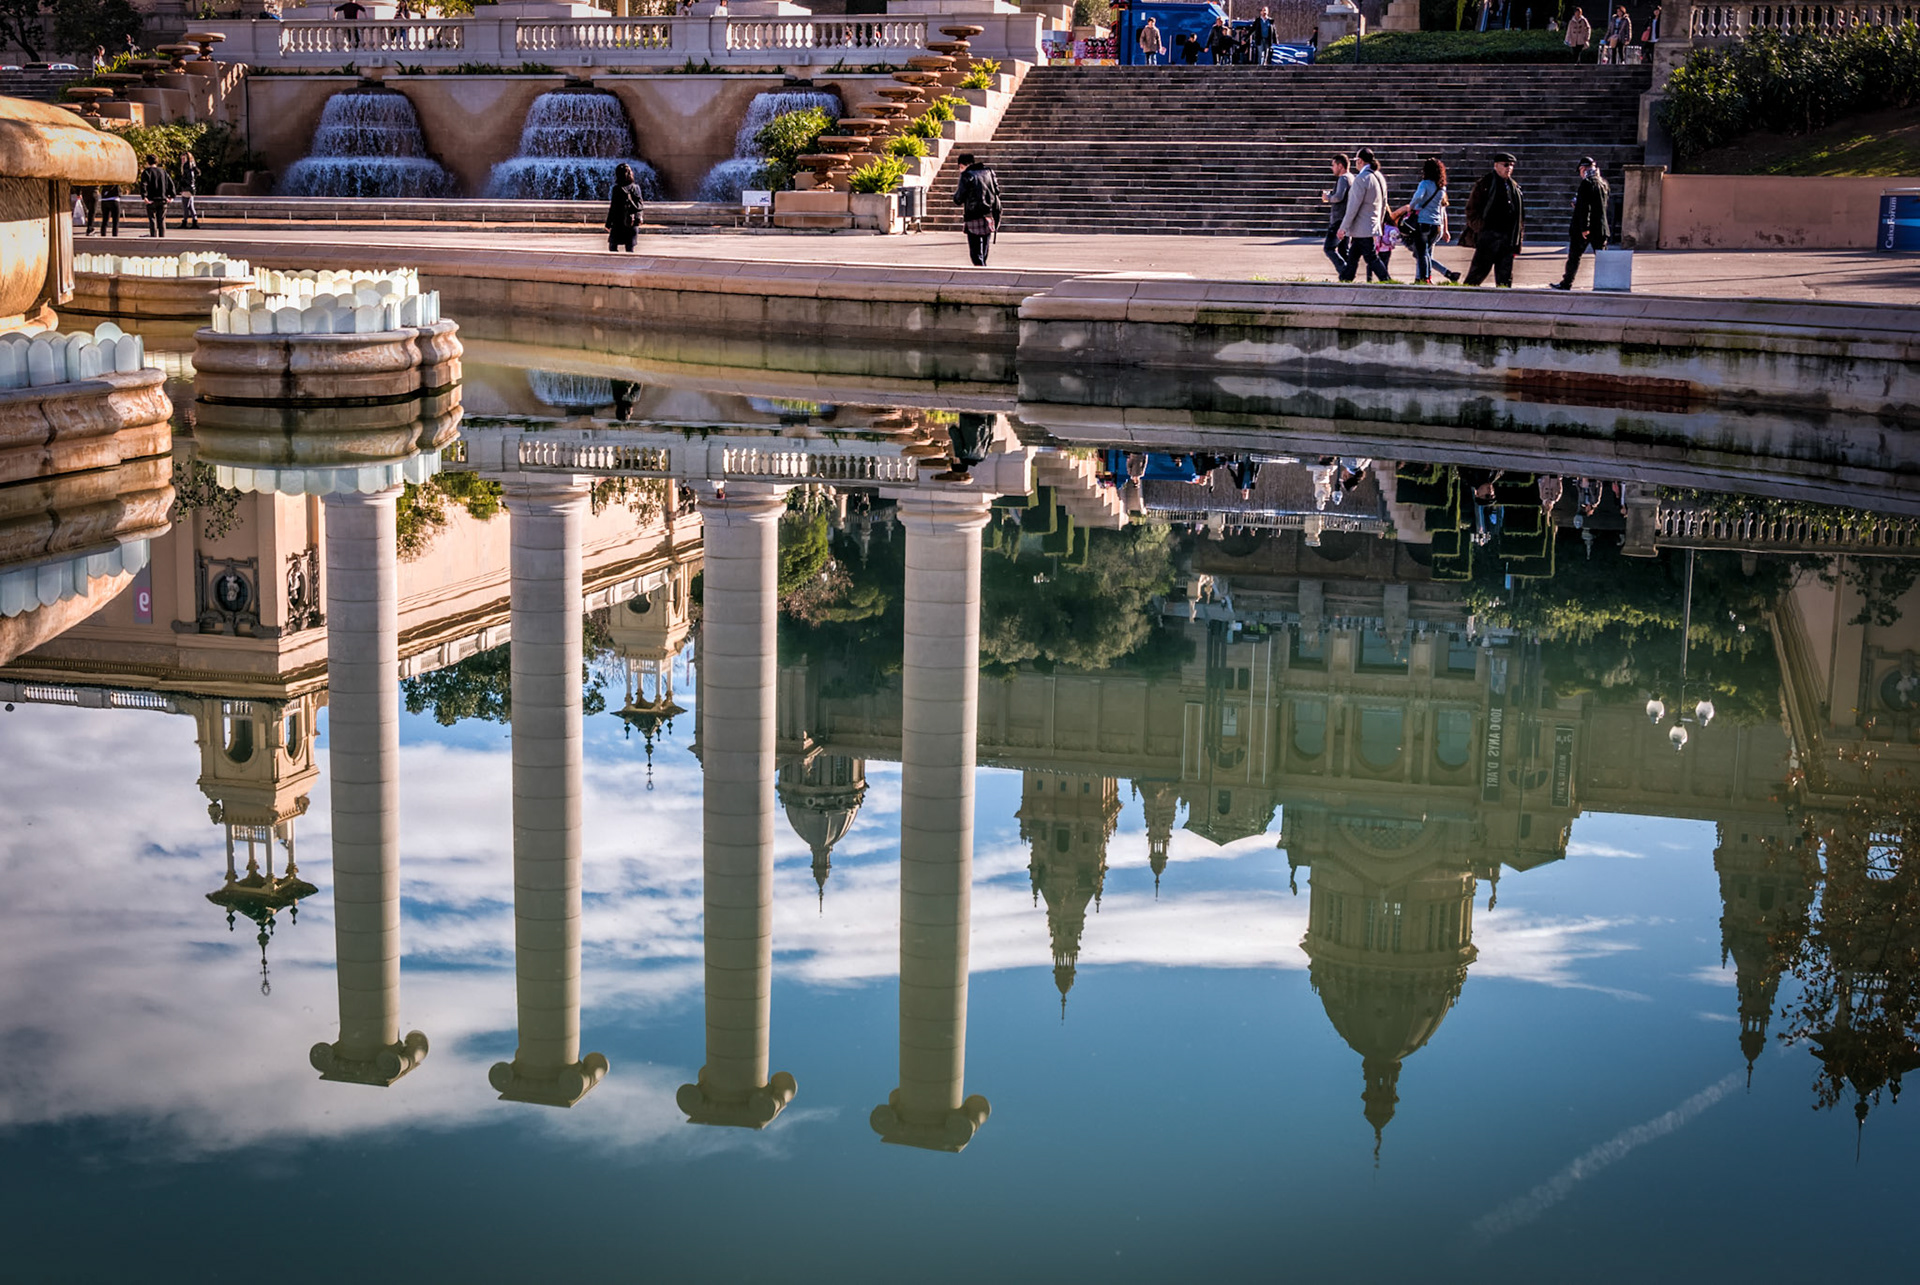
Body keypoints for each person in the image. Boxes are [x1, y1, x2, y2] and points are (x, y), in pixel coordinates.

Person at [1462, 152, 1524, 287]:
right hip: (1489, 236)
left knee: (1505, 278)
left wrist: (1517, 239)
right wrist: (1481, 228)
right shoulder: (1486, 183)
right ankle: (1465, 296)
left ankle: (1504, 298)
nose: (1509, 168)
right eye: (1506, 165)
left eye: (1512, 165)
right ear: (1496, 166)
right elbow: (1471, 209)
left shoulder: (1513, 186)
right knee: (1477, 274)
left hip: (1507, 238)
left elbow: (1519, 215)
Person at [1550, 156, 1610, 290]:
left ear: (1583, 169)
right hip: (1600, 227)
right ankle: (1608, 283)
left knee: (1574, 257)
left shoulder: (1586, 183)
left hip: (1584, 228)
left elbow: (1585, 207)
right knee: (1603, 258)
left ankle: (1566, 283)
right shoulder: (1603, 183)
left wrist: (1584, 227)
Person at [1400, 156, 1461, 284]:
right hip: (1436, 224)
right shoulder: (1442, 188)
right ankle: (1427, 277)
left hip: (1423, 222)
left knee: (1422, 253)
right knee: (1427, 252)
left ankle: (1423, 278)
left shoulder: (1425, 184)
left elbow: (1418, 197)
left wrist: (1411, 207)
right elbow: (1442, 207)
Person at [1336, 146, 1392, 283]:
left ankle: (1386, 280)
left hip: (1362, 226)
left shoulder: (1361, 179)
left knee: (1371, 257)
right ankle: (1346, 278)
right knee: (1353, 255)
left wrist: (1343, 227)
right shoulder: (1379, 177)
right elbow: (1384, 203)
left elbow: (1353, 206)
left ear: (1360, 161)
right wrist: (1380, 223)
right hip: (1372, 224)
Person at [952, 152, 1002, 267]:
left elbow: (958, 198)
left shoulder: (966, 175)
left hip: (973, 217)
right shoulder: (989, 172)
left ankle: (981, 271)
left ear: (961, 165)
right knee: (984, 251)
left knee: (975, 253)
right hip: (988, 215)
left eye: (960, 167)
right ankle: (984, 268)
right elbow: (997, 191)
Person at [1320, 153, 1353, 277]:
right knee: (1344, 250)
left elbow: (1339, 197)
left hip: (1339, 219)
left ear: (1340, 166)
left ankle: (1345, 271)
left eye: (1333, 165)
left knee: (1329, 248)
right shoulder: (1351, 177)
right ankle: (1349, 274)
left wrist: (1328, 197)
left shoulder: (1343, 178)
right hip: (1346, 219)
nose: (1332, 168)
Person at [604, 161, 644, 251]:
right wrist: (639, 218)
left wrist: (608, 224)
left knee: (613, 248)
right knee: (630, 249)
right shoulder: (636, 188)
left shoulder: (617, 189)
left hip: (618, 223)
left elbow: (613, 208)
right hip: (631, 222)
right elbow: (640, 205)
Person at [138, 154, 174, 239]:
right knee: (162, 220)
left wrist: (144, 196)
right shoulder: (163, 172)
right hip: (162, 199)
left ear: (147, 162)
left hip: (151, 199)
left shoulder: (146, 172)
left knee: (152, 220)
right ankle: (162, 238)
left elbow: (143, 185)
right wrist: (171, 196)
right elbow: (170, 183)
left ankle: (153, 237)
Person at [176, 151, 201, 229]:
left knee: (185, 207)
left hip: (187, 189)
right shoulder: (192, 166)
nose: (182, 160)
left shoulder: (186, 167)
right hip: (190, 189)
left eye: (184, 159)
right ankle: (194, 221)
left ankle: (185, 222)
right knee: (190, 206)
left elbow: (188, 179)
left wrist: (182, 185)